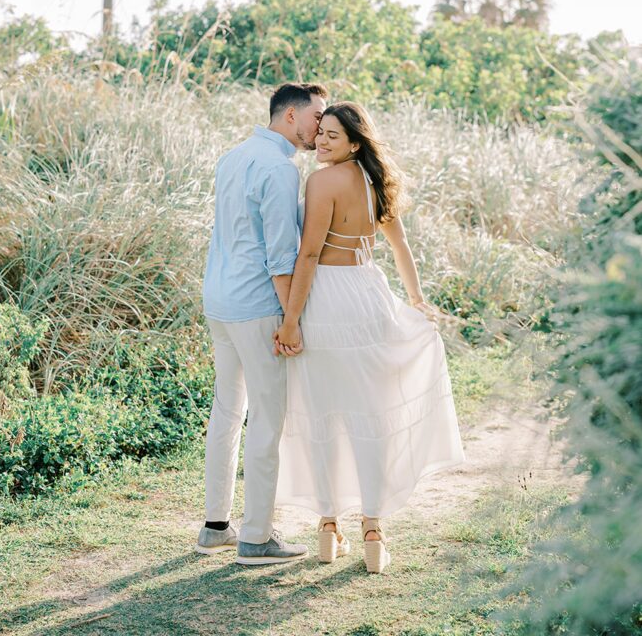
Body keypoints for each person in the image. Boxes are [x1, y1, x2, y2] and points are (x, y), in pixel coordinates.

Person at [273, 101, 466, 574]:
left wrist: (291, 319)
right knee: (369, 414)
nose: (321, 141)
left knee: (323, 412)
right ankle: (373, 529)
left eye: (333, 137)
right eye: (322, 134)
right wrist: (415, 299)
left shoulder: (321, 181)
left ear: (355, 142)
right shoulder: (374, 181)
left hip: (329, 302)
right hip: (370, 295)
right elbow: (399, 244)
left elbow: (311, 253)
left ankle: (327, 525)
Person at [195, 82, 328, 565]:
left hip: (219, 300)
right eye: (317, 116)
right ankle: (256, 537)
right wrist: (289, 320)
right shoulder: (278, 168)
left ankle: (215, 526)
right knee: (268, 419)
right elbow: (280, 256)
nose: (320, 126)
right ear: (290, 116)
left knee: (228, 411)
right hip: (256, 305)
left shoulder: (233, 157)